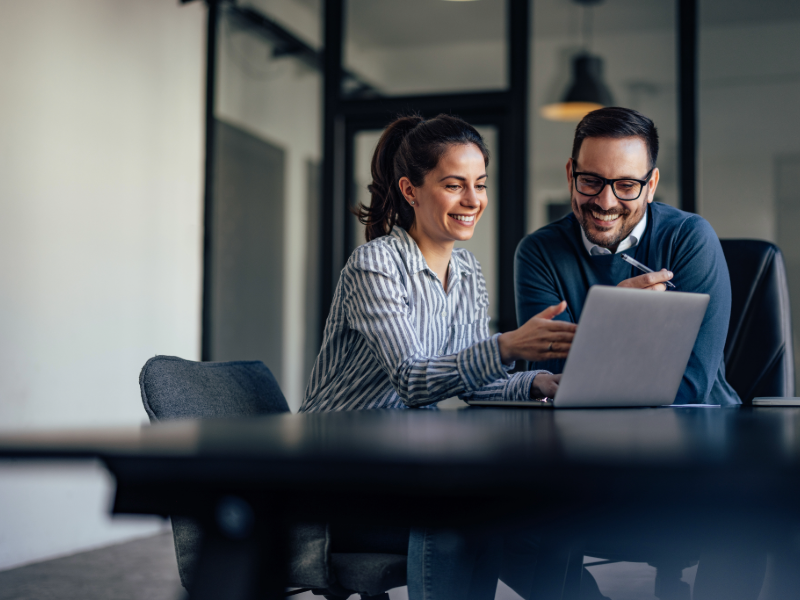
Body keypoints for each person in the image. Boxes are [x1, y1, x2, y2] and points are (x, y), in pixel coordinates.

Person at [300, 113, 576, 599]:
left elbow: (473, 382)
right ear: (411, 191)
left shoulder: (468, 272)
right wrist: (508, 344)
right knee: (466, 517)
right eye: (454, 185)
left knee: (535, 526)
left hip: (405, 469)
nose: (473, 201)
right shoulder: (375, 265)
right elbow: (412, 380)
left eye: (480, 185)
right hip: (338, 483)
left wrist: (535, 385)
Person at [515, 107, 740, 406]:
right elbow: (555, 382)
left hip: (698, 429)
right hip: (584, 436)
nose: (606, 202)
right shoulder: (538, 253)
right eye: (591, 181)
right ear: (571, 175)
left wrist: (596, 352)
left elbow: (691, 383)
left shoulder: (690, 238)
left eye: (626, 185)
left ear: (651, 186)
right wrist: (613, 321)